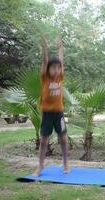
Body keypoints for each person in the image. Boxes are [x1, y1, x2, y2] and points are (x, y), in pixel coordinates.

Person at [34, 35, 69, 176]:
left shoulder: (60, 76)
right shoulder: (45, 77)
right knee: (43, 141)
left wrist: (60, 47)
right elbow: (44, 61)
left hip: (59, 113)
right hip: (47, 114)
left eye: (58, 68)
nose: (56, 70)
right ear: (48, 70)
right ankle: (40, 166)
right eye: (53, 68)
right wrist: (45, 48)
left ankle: (66, 163)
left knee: (63, 139)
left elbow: (61, 60)